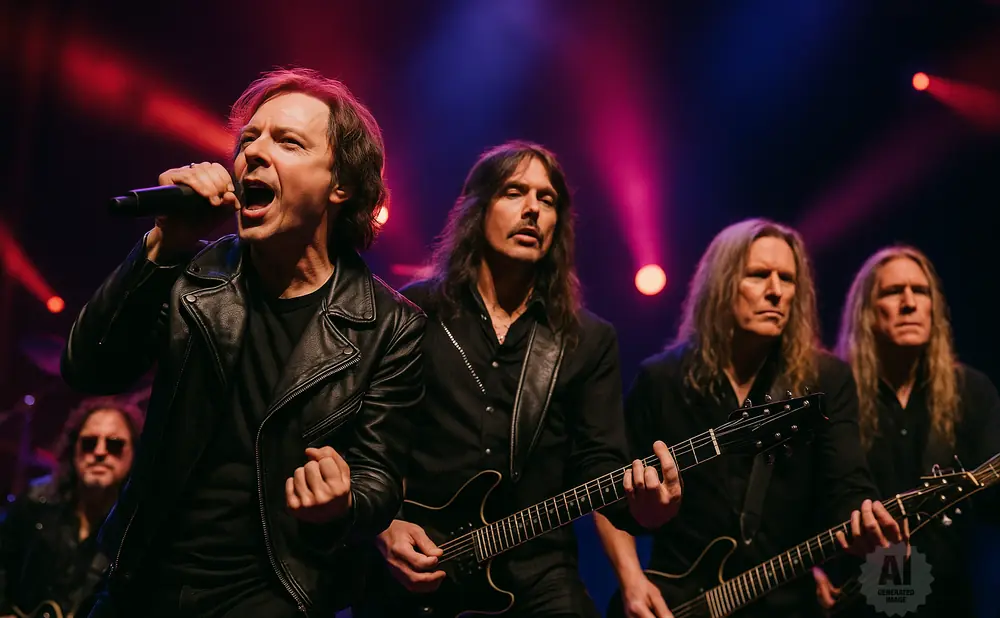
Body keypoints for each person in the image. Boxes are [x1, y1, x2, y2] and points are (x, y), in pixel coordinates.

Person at [60, 67, 426, 618]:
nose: (253, 153)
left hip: (276, 591)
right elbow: (89, 370)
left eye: (288, 141)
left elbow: (380, 477)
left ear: (340, 183)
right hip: (143, 579)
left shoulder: (390, 326)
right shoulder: (192, 273)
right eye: (249, 138)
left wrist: (343, 500)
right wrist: (165, 242)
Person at [355, 141, 682, 618]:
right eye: (514, 192)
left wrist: (648, 512)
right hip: (419, 561)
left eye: (546, 200)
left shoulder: (587, 340)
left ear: (558, 225)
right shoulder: (413, 311)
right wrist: (383, 528)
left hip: (537, 571)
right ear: (477, 208)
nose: (532, 209)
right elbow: (368, 437)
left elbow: (600, 464)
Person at [596, 218, 903, 618]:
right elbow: (607, 488)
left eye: (787, 279)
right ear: (722, 286)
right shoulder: (663, 379)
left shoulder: (825, 380)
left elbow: (846, 483)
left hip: (782, 602)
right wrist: (632, 581)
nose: (776, 292)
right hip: (680, 602)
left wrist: (866, 520)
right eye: (759, 275)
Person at [812, 245, 1000, 616]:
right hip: (851, 603)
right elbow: (795, 495)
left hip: (949, 602)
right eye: (893, 291)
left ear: (935, 308)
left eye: (921, 291)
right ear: (867, 311)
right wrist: (808, 572)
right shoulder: (833, 394)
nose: (909, 303)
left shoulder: (972, 392)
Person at [0, 395, 143, 618]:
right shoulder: (35, 503)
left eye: (114, 444)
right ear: (74, 449)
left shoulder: (137, 529)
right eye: (89, 442)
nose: (99, 451)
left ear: (135, 454)